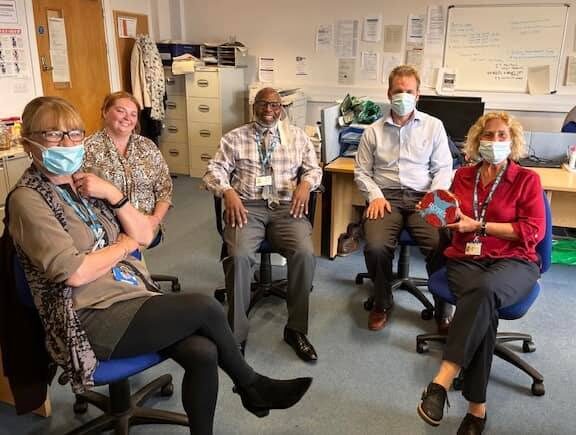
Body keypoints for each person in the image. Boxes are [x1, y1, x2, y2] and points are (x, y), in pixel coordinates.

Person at [8, 96, 312, 435]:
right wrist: (125, 245)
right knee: (204, 307)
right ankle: (252, 386)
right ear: (29, 142)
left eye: (74, 134)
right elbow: (76, 271)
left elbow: (146, 233)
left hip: (126, 291)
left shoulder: (86, 182)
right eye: (53, 135)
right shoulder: (28, 199)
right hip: (87, 315)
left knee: (202, 350)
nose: (67, 143)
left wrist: (112, 193)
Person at [417, 112, 545, 435]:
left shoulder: (528, 180)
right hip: (466, 259)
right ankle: (476, 411)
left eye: (502, 136)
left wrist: (482, 226)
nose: (495, 141)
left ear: (512, 141)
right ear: (477, 141)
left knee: (484, 292)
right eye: (489, 136)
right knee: (483, 301)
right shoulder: (462, 177)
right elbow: (451, 218)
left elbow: (534, 231)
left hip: (515, 261)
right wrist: (437, 213)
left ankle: (443, 380)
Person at [203, 87, 322, 362]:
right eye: (262, 104)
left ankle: (296, 330)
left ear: (282, 108)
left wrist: (306, 184)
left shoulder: (297, 137)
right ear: (253, 107)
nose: (268, 110)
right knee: (239, 256)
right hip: (247, 207)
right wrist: (228, 192)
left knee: (304, 254)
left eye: (274, 105)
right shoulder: (234, 138)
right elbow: (213, 170)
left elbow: (314, 169)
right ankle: (236, 335)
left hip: (285, 207)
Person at [354, 65, 453, 332]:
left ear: (418, 95)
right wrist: (374, 195)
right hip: (386, 198)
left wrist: (434, 196)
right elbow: (361, 172)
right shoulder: (372, 131)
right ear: (389, 93)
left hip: (425, 197)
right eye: (399, 91)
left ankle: (443, 309)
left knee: (440, 242)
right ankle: (382, 302)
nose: (404, 96)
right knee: (375, 245)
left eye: (409, 91)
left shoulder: (434, 126)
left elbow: (443, 168)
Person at [84, 91, 172, 235]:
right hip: (107, 229)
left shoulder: (147, 146)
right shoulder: (87, 148)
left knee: (133, 246)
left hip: (147, 223)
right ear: (105, 112)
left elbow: (165, 189)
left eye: (133, 114)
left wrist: (155, 220)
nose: (127, 118)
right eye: (120, 111)